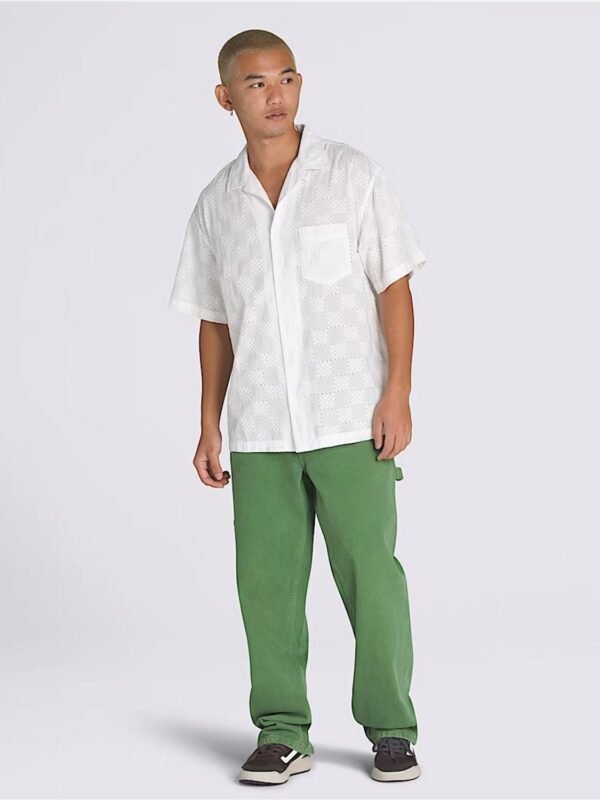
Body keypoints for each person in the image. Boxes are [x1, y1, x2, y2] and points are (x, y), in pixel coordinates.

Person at [168, 28, 428, 786]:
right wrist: (209, 421)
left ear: (300, 84)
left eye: (285, 78)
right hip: (259, 427)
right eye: (255, 84)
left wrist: (398, 391)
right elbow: (214, 321)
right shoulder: (216, 205)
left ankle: (391, 729)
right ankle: (282, 731)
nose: (274, 95)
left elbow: (394, 285)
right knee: (266, 589)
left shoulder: (352, 176)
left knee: (373, 578)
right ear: (226, 98)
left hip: (350, 417)